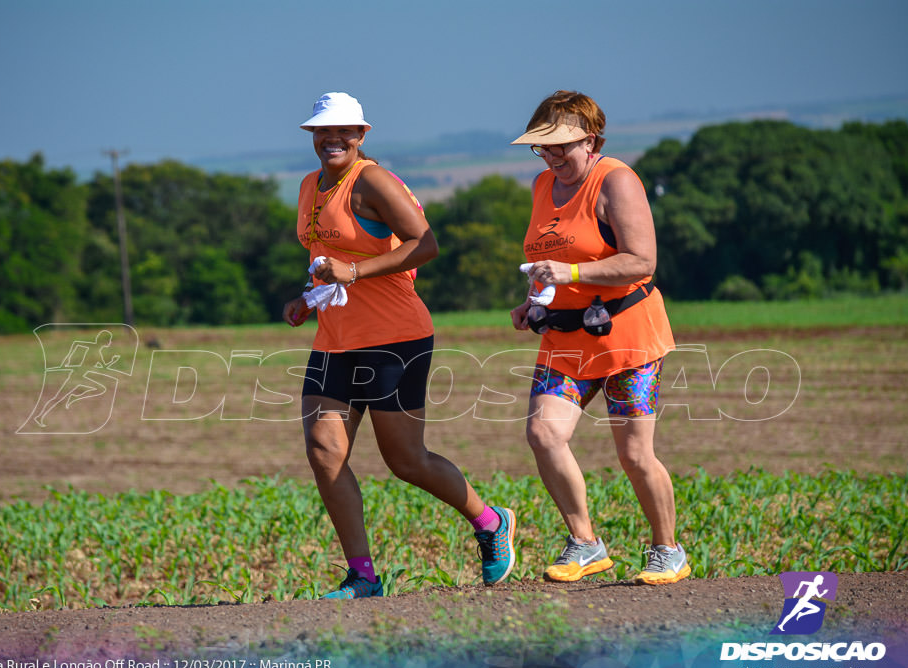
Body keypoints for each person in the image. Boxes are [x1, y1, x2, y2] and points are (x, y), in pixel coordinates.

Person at [283, 92, 516, 599]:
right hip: (335, 338)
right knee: (324, 452)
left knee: (405, 460)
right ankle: (363, 576)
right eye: (323, 131)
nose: (333, 139)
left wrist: (354, 272)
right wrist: (309, 298)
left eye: (345, 131)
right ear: (312, 136)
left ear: (362, 135)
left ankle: (491, 521)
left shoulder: (373, 181)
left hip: (395, 338)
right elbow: (328, 257)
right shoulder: (309, 186)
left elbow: (425, 244)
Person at [509, 90, 690, 585]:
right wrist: (534, 301)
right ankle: (586, 543)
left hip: (626, 335)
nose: (550, 158)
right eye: (541, 149)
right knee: (544, 434)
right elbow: (548, 260)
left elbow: (641, 262)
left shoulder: (617, 181)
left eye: (559, 147)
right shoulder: (542, 186)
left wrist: (568, 272)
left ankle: (667, 549)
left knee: (634, 453)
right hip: (565, 339)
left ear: (590, 140)